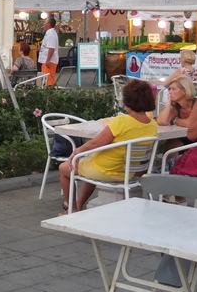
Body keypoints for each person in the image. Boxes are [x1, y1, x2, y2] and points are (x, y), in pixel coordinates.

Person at [58, 79, 157, 213]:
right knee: (90, 161)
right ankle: (79, 203)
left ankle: (72, 209)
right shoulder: (152, 125)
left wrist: (77, 151)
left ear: (128, 102)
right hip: (129, 172)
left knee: (64, 168)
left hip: (106, 170)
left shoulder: (121, 121)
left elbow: (96, 143)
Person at [38, 16, 60, 85]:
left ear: (49, 24)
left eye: (45, 22)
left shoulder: (51, 34)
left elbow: (51, 48)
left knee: (48, 80)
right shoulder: (49, 33)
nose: (44, 24)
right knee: (44, 79)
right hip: (46, 60)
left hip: (49, 61)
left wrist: (48, 60)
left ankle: (49, 91)